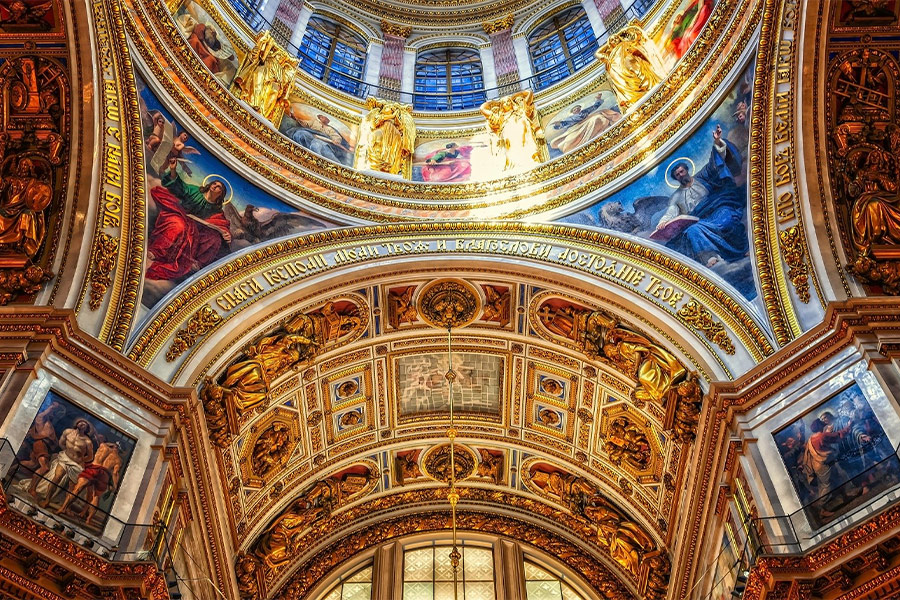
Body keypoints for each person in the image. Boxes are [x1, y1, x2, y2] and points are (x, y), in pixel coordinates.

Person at [654, 124, 748, 267]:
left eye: (681, 171)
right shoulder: (676, 196)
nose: (681, 175)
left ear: (687, 170)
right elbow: (671, 212)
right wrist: (663, 223)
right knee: (692, 231)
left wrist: (717, 142)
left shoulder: (703, 176)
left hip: (718, 208)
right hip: (699, 220)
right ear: (675, 178)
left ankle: (741, 249)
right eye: (677, 175)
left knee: (727, 219)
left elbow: (715, 161)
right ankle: (711, 257)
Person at [146, 157, 232, 280]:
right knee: (178, 226)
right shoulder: (194, 191)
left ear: (221, 194)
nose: (215, 186)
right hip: (180, 215)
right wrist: (173, 170)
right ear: (209, 185)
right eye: (214, 183)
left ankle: (196, 263)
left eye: (219, 187)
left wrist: (226, 234)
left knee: (215, 239)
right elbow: (179, 186)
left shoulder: (217, 210)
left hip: (196, 230)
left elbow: (222, 225)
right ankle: (156, 251)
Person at [57, 441, 123, 526]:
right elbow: (115, 473)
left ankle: (63, 508)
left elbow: (104, 443)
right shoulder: (118, 460)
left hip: (93, 469)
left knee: (77, 489)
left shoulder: (103, 446)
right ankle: (89, 519)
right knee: (96, 497)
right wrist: (115, 486)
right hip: (104, 475)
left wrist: (112, 444)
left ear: (113, 445)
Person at [34, 419, 95, 508]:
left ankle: (65, 508)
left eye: (85, 424)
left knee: (71, 487)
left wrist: (81, 459)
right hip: (65, 459)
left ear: (87, 428)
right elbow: (61, 443)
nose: (82, 424)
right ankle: (47, 500)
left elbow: (90, 457)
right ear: (77, 423)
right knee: (56, 478)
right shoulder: (68, 432)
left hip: (76, 464)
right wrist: (68, 452)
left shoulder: (87, 441)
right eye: (81, 422)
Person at [550, 98, 622, 154]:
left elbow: (594, 107)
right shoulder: (570, 119)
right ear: (573, 112)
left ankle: (594, 135)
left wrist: (598, 99)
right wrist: (558, 124)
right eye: (575, 109)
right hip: (577, 127)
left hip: (587, 121)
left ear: (580, 109)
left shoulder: (585, 112)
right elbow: (564, 124)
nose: (576, 110)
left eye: (578, 108)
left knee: (598, 119)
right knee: (573, 138)